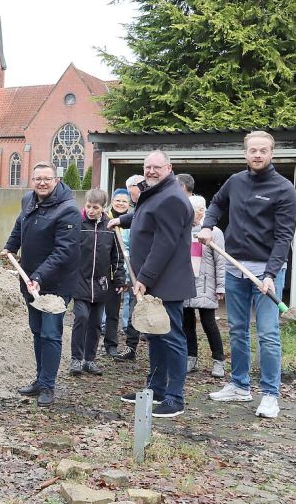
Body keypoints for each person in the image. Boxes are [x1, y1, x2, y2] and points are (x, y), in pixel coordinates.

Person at [201, 130, 296, 419]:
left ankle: (270, 395)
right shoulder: (236, 182)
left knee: (268, 333)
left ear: (271, 153)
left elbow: (284, 237)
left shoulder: (284, 190)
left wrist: (270, 273)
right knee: (238, 330)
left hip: (267, 271)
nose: (257, 155)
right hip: (234, 268)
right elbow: (217, 203)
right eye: (252, 150)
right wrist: (207, 224)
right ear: (245, 153)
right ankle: (240, 386)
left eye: (263, 150)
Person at [109, 150, 196, 418]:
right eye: (147, 167)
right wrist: (121, 219)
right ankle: (156, 389)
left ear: (169, 168)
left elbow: (165, 243)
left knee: (171, 337)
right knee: (155, 335)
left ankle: (175, 398)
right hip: (155, 279)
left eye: (156, 167)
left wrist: (144, 278)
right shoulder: (157, 192)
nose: (150, 171)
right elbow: (144, 216)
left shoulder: (171, 198)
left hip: (165, 281)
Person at [4, 162, 80, 407]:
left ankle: (48, 386)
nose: (42, 183)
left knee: (50, 333)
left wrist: (38, 276)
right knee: (37, 331)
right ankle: (40, 379)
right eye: (38, 178)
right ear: (32, 180)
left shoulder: (68, 210)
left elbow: (64, 251)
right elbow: (20, 225)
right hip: (30, 281)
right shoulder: (29, 199)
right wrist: (10, 246)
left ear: (56, 181)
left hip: (56, 284)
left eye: (47, 178)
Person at [69, 188, 126, 377]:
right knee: (81, 317)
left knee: (95, 323)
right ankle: (76, 358)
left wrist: (119, 278)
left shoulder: (109, 227)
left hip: (101, 283)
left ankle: (89, 360)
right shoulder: (78, 224)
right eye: (88, 206)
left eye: (96, 207)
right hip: (80, 280)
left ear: (103, 208)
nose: (91, 210)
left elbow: (117, 256)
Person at [184, 194, 226, 378]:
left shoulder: (214, 232)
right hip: (185, 284)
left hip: (206, 285)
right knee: (187, 324)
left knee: (209, 324)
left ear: (202, 211)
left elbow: (221, 261)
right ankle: (190, 358)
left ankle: (219, 361)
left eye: (191, 211)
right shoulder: (183, 229)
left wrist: (220, 286)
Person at [113, 174, 145, 361]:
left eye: (132, 192)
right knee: (134, 305)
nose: (131, 196)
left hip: (151, 266)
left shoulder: (149, 202)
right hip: (135, 267)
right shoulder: (139, 206)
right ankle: (131, 347)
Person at [103, 187, 132, 357]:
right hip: (103, 269)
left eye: (124, 201)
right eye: (118, 200)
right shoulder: (105, 218)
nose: (121, 204)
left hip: (121, 268)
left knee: (115, 309)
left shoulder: (132, 221)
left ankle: (111, 344)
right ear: (112, 202)